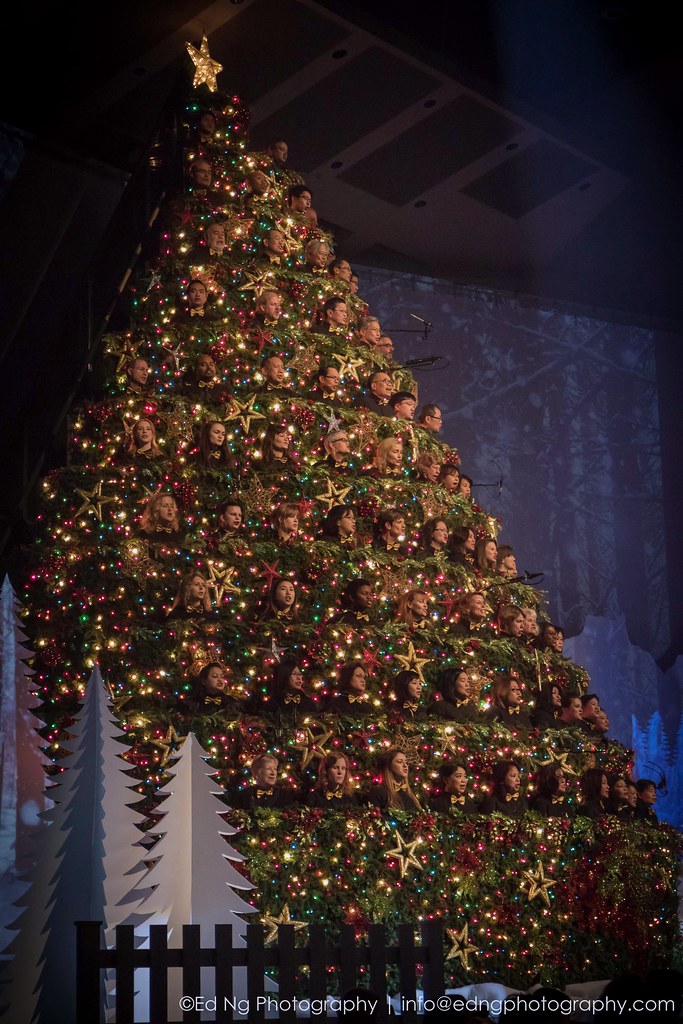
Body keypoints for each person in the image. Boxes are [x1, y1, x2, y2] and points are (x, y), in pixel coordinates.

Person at [232, 753, 297, 810]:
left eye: (275, 769)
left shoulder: (285, 796)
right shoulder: (243, 796)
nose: (273, 773)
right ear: (256, 773)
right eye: (268, 769)